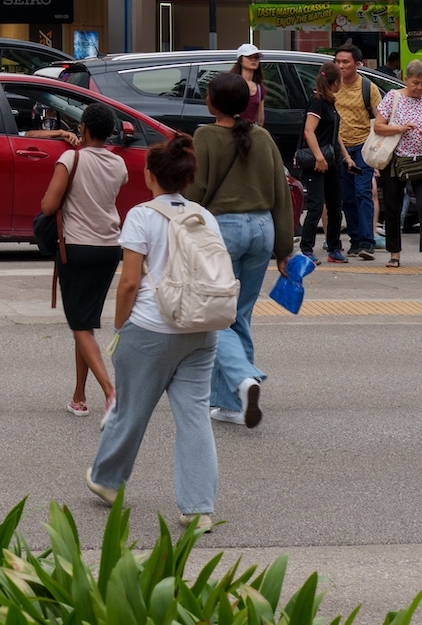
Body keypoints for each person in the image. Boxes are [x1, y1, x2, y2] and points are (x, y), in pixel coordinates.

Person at [85, 134, 221, 532]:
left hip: (150, 325)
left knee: (130, 408)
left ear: (149, 175)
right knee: (195, 416)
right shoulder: (203, 216)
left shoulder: (142, 216)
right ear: (188, 178)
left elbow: (129, 282)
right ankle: (198, 509)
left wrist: (119, 325)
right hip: (200, 328)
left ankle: (108, 481)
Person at [186, 73, 293, 429]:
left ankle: (243, 378)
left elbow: (196, 190)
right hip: (262, 229)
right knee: (239, 315)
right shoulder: (262, 137)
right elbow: (281, 192)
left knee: (216, 316)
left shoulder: (205, 135)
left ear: (211, 102)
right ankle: (231, 404)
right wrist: (284, 248)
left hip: (223, 232)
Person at [40, 102, 130, 418]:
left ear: (84, 129)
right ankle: (79, 396)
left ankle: (110, 391)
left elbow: (49, 205)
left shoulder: (70, 158)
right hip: (109, 249)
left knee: (80, 324)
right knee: (86, 322)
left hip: (76, 248)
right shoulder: (119, 165)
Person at [375, 58, 422, 272]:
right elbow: (379, 126)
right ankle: (394, 253)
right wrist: (399, 128)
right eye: (415, 82)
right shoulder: (393, 97)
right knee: (393, 206)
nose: (419, 88)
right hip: (395, 160)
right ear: (406, 79)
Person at [329, 42, 384, 259]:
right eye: (338, 61)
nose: (341, 66)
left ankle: (366, 241)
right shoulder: (332, 86)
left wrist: (377, 147)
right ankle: (354, 240)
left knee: (364, 193)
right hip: (339, 148)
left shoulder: (367, 87)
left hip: (363, 146)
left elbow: (379, 117)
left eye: (345, 62)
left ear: (357, 64)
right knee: (347, 197)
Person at [298, 60, 351, 262]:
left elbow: (334, 134)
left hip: (332, 160)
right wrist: (319, 157)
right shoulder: (317, 101)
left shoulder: (330, 101)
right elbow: (309, 131)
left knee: (335, 205)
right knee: (316, 205)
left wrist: (345, 156)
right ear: (335, 82)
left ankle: (334, 247)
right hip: (317, 161)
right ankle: (306, 249)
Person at [231, 44, 267, 124]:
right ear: (240, 60)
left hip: (252, 130)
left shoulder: (259, 87)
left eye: (256, 57)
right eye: (249, 57)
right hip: (233, 129)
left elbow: (261, 117)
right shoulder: (231, 84)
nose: (253, 60)